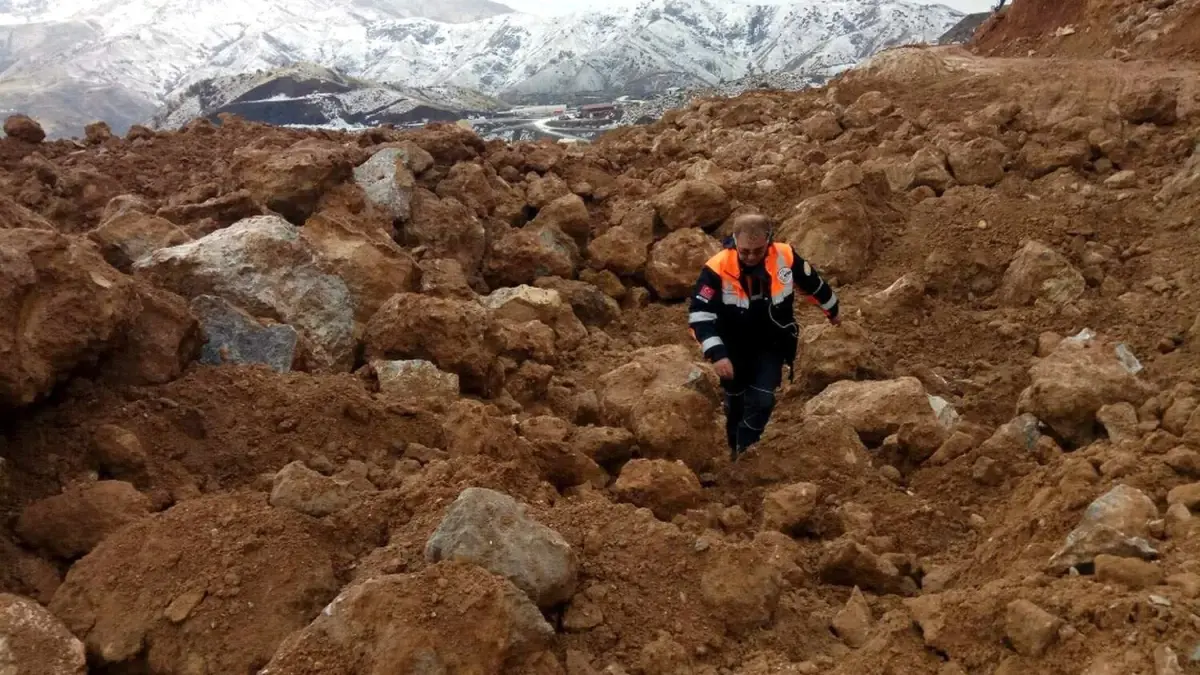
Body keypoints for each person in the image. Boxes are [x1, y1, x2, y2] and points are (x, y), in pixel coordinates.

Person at [687, 213, 841, 461]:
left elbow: (813, 284)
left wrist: (833, 312)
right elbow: (699, 316)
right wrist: (717, 354)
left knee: (762, 400)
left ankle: (747, 451)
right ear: (734, 241)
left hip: (771, 344)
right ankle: (733, 445)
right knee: (735, 404)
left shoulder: (785, 256)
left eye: (757, 251)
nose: (750, 257)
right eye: (744, 251)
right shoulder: (716, 268)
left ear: (769, 241)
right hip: (732, 348)